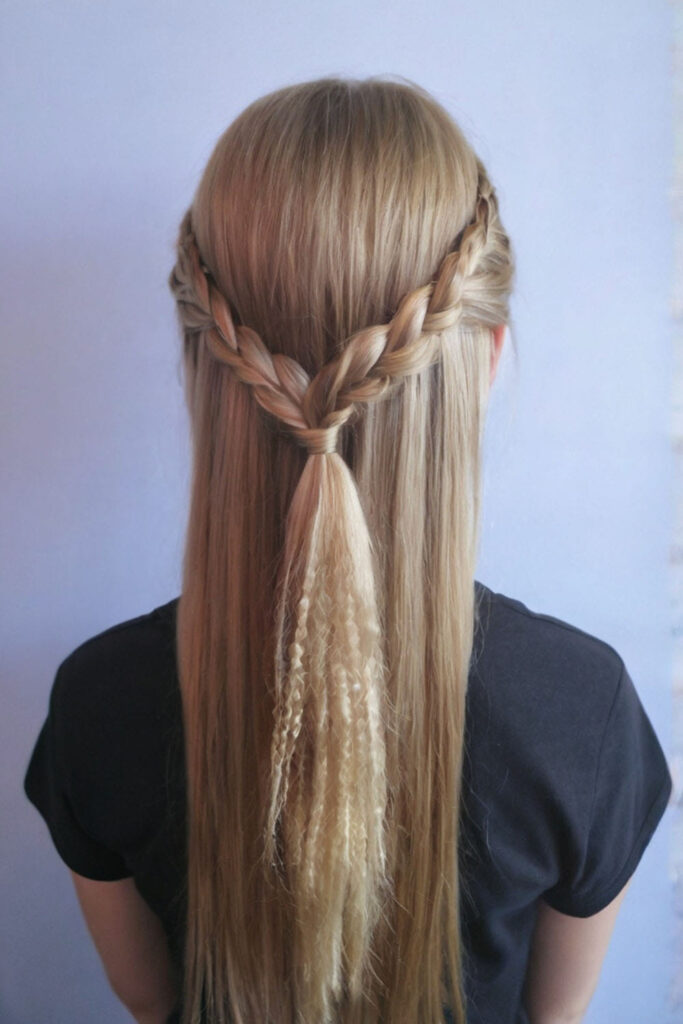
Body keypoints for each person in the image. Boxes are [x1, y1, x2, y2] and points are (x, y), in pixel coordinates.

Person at [23, 75, 673, 1024]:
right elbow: (556, 1017)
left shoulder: (99, 702)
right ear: (486, 360)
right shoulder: (578, 711)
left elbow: (151, 1006)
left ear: (201, 361)